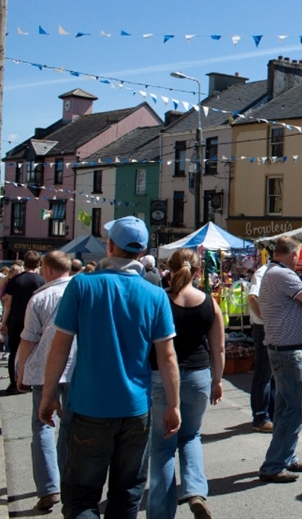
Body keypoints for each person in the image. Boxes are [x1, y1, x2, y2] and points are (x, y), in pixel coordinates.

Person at [39, 216, 181, 519]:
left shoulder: (82, 286)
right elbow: (168, 357)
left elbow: (59, 347)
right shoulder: (155, 295)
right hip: (135, 410)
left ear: (110, 245)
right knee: (126, 494)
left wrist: (49, 394)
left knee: (80, 498)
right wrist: (173, 404)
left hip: (89, 406)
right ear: (141, 253)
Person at [148, 248, 225, 519]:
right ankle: (194, 491)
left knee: (162, 445)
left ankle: (160, 512)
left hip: (161, 376)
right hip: (198, 375)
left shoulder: (159, 300)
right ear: (198, 272)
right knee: (191, 436)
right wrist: (217, 380)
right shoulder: (209, 303)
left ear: (168, 269)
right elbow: (219, 348)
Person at [257, 235, 302, 483]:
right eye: (300, 255)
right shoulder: (283, 275)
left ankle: (286, 456)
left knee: (286, 407)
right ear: (294, 254)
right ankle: (273, 464)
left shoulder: (274, 273)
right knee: (297, 409)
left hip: (287, 348)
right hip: (289, 350)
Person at [14, 251, 75, 512]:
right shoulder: (83, 293)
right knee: (71, 427)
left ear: (48, 270)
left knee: (43, 426)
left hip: (43, 369)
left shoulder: (39, 298)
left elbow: (28, 339)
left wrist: (21, 371)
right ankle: (69, 482)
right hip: (76, 368)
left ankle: (50, 487)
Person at [0, 251, 46, 394]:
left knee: (14, 352)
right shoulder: (41, 280)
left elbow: (8, 303)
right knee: (34, 352)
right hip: (36, 321)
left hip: (17, 319)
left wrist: (4, 322)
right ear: (38, 264)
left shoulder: (16, 280)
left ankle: (14, 382)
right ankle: (30, 381)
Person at [247, 262, 275, 432]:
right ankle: (260, 417)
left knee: (270, 375)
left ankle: (269, 414)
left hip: (269, 328)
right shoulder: (263, 272)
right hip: (263, 328)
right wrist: (264, 318)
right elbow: (252, 296)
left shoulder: (273, 272)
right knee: (263, 374)